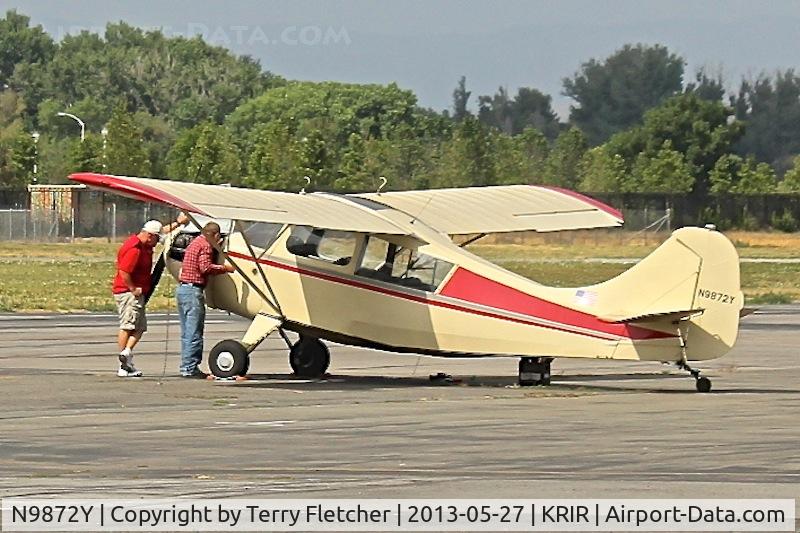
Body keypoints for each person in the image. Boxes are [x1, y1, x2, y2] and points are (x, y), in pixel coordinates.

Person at [113, 214, 189, 377]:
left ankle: (126, 355)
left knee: (140, 327)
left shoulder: (145, 243)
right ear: (149, 236)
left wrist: (178, 223)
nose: (158, 242)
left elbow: (162, 231)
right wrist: (133, 289)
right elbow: (124, 271)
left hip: (138, 291)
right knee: (128, 325)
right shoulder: (135, 249)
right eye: (157, 238)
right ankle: (123, 360)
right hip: (128, 292)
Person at [177, 221, 235, 378]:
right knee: (194, 331)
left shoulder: (195, 242)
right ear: (215, 235)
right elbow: (205, 267)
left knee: (186, 331)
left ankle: (186, 365)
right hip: (193, 290)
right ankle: (190, 368)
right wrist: (226, 268)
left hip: (183, 288)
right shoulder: (206, 246)